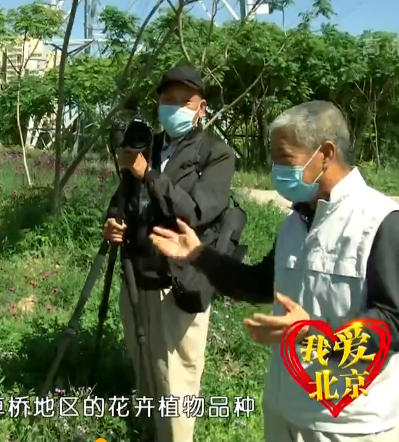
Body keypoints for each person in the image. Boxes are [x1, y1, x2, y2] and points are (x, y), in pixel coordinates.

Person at [150, 100, 399, 442]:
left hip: (346, 423)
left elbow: (395, 323)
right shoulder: (295, 223)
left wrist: (315, 337)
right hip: (284, 409)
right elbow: (260, 284)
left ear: (326, 153)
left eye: (285, 159)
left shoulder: (383, 221)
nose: (276, 171)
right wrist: (199, 254)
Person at [102, 65, 236, 441]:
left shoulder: (217, 154)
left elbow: (196, 211)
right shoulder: (148, 144)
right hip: (137, 276)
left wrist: (148, 174)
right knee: (145, 368)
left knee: (176, 378)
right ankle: (149, 432)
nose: (174, 107)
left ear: (201, 107)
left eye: (184, 101)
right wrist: (113, 222)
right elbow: (122, 200)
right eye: (167, 100)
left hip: (177, 283)